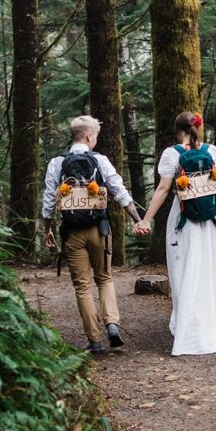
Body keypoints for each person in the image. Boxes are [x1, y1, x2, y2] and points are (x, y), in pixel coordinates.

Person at [133, 111, 216, 355]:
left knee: (184, 269)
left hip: (183, 219)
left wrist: (147, 219)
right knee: (211, 271)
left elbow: (162, 189)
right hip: (211, 220)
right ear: (198, 128)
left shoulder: (172, 154)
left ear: (177, 130)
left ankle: (189, 329)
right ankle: (212, 329)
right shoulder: (214, 152)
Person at [43, 116, 142, 353]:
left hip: (72, 234)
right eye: (95, 136)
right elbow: (119, 191)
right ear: (89, 137)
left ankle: (95, 340)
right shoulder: (99, 160)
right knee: (104, 278)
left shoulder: (57, 163)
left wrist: (47, 230)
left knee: (82, 286)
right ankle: (112, 324)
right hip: (100, 230)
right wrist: (138, 219)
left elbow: (48, 200)